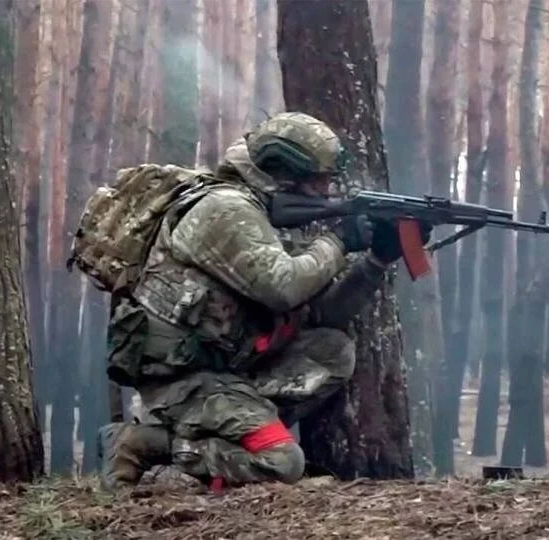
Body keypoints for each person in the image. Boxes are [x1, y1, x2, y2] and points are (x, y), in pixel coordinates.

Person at [97, 112, 429, 490]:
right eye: (318, 181)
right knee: (283, 463)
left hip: (228, 369)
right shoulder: (226, 209)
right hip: (184, 381)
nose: (326, 192)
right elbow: (284, 288)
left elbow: (321, 313)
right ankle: (140, 444)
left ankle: (237, 433)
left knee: (332, 351)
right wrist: (339, 241)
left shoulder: (262, 215)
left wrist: (376, 261)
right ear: (285, 174)